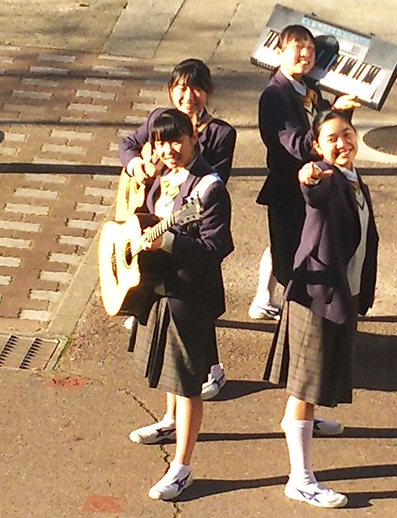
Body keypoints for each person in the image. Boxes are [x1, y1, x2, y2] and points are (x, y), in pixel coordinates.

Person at [263, 110, 379, 508]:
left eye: (347, 134)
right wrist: (307, 177)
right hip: (317, 299)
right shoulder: (326, 178)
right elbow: (312, 192)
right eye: (331, 138)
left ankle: (305, 422)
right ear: (316, 147)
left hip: (340, 294)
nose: (341, 143)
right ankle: (300, 478)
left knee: (310, 385)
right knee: (304, 387)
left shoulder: (354, 179)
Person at [125, 109, 234, 500]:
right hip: (158, 286)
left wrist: (166, 242)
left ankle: (182, 467)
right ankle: (169, 422)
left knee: (188, 383)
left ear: (194, 139)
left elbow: (217, 247)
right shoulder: (161, 175)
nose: (168, 149)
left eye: (177, 140)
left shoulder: (209, 188)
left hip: (190, 294)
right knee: (168, 370)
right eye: (160, 141)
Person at [118, 58, 235, 400]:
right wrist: (139, 165)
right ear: (171, 91)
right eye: (181, 87)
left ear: (209, 92)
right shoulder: (159, 119)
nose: (188, 95)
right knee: (163, 298)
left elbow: (216, 180)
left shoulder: (220, 133)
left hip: (190, 224)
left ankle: (210, 370)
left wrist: (183, 159)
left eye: (196, 88)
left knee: (194, 297)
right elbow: (127, 145)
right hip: (151, 219)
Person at [249, 24, 359, 323]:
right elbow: (297, 145)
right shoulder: (275, 96)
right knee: (295, 257)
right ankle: (297, 323)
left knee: (291, 246)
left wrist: (340, 113)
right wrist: (334, 112)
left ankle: (265, 299)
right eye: (298, 46)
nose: (306, 53)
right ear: (280, 52)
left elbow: (326, 131)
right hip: (291, 189)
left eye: (310, 47)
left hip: (313, 186)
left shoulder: (309, 89)